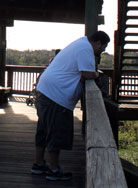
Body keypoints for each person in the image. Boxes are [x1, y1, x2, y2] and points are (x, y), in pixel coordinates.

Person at [31, 30, 110, 181]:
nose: (103, 50)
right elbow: (87, 73)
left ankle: (39, 164)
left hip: (46, 91)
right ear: (98, 42)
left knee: (43, 130)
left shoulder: (80, 43)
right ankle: (54, 170)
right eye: (104, 47)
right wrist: (98, 75)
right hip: (55, 96)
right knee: (56, 131)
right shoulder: (86, 48)